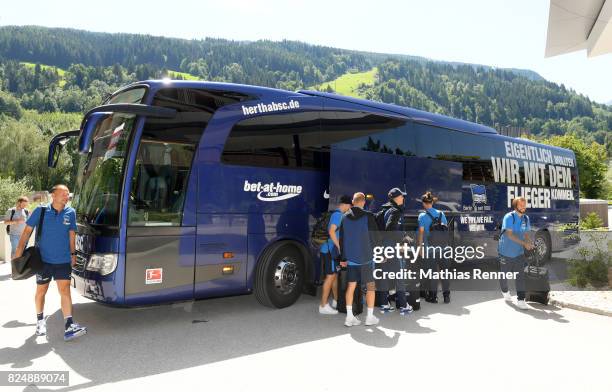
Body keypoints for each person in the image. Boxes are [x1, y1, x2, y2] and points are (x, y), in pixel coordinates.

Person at [14, 185, 87, 341]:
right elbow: (27, 232)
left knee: (65, 291)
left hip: (63, 260)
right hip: (43, 261)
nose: (66, 196)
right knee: (41, 291)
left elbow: (71, 234)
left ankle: (69, 325)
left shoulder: (70, 212)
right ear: (53, 195)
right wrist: (18, 254)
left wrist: (73, 254)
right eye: (63, 194)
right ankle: (40, 321)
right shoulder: (40, 211)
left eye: (68, 194)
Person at [338, 192, 379, 327]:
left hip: (351, 259)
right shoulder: (368, 216)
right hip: (367, 258)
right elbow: (375, 238)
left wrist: (343, 258)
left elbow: (342, 240)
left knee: (351, 286)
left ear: (353, 202)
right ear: (363, 202)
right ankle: (370, 317)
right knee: (370, 286)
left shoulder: (344, 218)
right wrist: (380, 253)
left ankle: (349, 317)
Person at [377, 188, 413, 315]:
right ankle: (403, 305)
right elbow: (390, 228)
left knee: (385, 276)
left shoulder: (384, 210)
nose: (403, 198)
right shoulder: (396, 211)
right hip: (392, 248)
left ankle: (383, 303)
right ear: (396, 198)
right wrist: (403, 239)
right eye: (401, 196)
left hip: (384, 248)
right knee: (399, 276)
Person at [498, 196, 534, 310]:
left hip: (519, 253)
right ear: (516, 206)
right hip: (505, 251)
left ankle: (521, 299)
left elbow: (527, 233)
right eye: (521, 205)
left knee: (520, 276)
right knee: (504, 276)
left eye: (525, 205)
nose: (524, 207)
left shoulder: (526, 218)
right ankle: (504, 291)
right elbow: (509, 234)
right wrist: (524, 244)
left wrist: (528, 243)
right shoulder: (509, 217)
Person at [319, 195, 352, 315]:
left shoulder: (337, 214)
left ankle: (336, 301)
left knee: (334, 276)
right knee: (330, 277)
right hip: (330, 250)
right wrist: (339, 246)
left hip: (329, 249)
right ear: (346, 205)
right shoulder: (338, 215)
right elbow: (332, 231)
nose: (349, 208)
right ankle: (323, 306)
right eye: (349, 206)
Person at [417, 191, 451, 304]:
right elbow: (446, 230)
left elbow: (421, 234)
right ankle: (446, 296)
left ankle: (433, 297)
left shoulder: (422, 216)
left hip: (430, 249)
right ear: (432, 202)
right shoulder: (442, 214)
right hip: (444, 248)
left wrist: (420, 248)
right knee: (445, 272)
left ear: (424, 203)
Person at [4, 196, 30, 261]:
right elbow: (5, 222)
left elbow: (28, 222)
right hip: (14, 235)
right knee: (15, 251)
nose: (25, 206)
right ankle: (14, 268)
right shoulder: (11, 211)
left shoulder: (26, 211)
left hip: (24, 235)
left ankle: (20, 268)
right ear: (19, 202)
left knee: (23, 251)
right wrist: (17, 221)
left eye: (26, 204)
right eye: (24, 204)